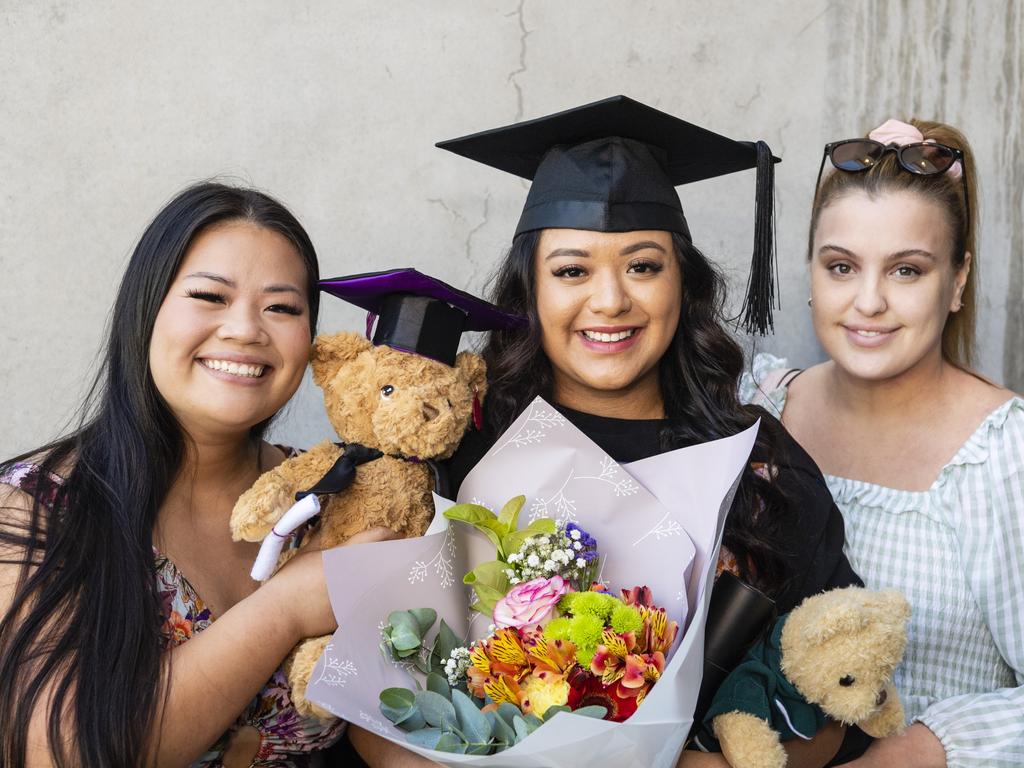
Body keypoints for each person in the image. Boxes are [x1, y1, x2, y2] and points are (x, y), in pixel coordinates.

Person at [340, 96, 870, 768]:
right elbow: (364, 679)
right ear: (530, 287)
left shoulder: (758, 465)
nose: (611, 299)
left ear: (685, 282)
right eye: (572, 270)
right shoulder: (457, 442)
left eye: (643, 265)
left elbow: (838, 691)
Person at [0, 182, 392, 767]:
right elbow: (55, 754)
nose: (245, 330)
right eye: (210, 296)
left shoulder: (329, 501)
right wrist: (282, 609)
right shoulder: (37, 505)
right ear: (146, 309)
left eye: (282, 307)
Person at [742, 119, 1023, 767]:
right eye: (842, 266)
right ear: (811, 272)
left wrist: (923, 748)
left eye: (906, 270)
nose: (868, 301)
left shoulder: (1002, 456)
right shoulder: (762, 411)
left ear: (956, 281)